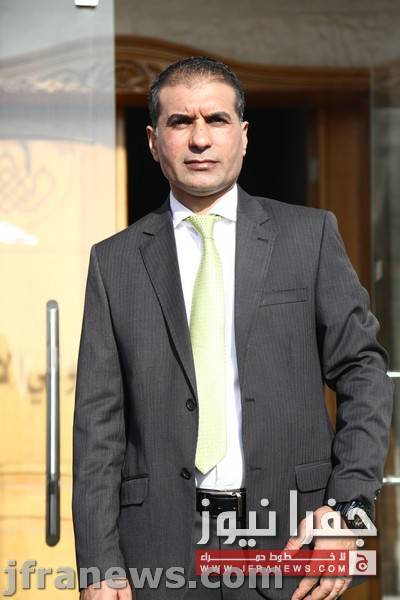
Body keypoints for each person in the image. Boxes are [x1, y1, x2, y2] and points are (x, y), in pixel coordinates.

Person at [72, 57, 394, 600]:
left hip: (293, 542)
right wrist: (99, 567)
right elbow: (97, 426)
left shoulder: (309, 236)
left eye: (216, 120)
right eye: (180, 122)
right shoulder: (114, 262)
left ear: (243, 135)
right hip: (158, 554)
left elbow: (364, 373)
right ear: (153, 141)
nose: (199, 139)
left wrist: (348, 510)